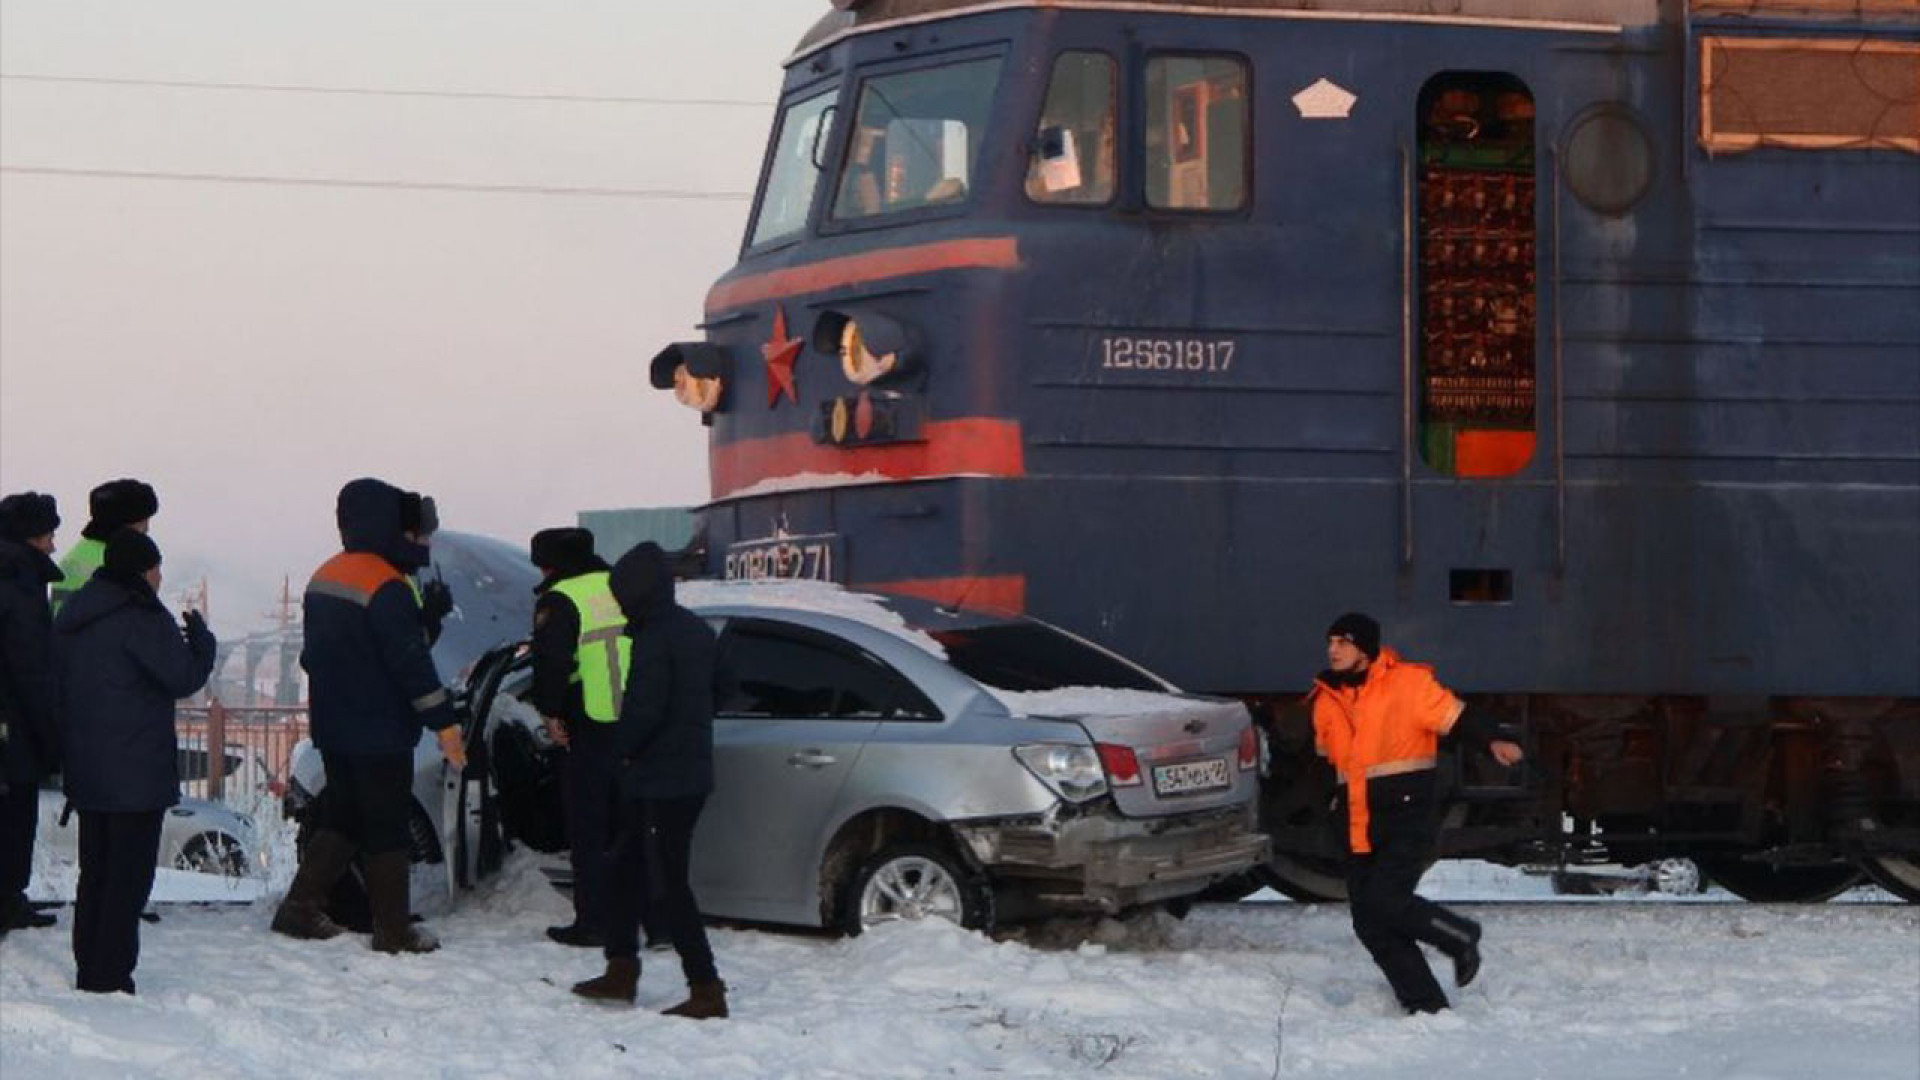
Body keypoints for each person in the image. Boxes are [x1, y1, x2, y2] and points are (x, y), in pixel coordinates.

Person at [271, 478, 465, 953]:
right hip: (378, 730)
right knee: (386, 826)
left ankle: (299, 908)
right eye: (414, 532)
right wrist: (445, 724)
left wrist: (426, 623)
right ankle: (393, 931)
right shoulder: (386, 585)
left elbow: (334, 655)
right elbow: (407, 663)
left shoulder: (326, 577)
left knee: (345, 814)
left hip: (335, 727)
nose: (420, 542)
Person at [1307, 612, 1524, 1015]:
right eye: (1331, 642)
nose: (1333, 650)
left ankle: (1459, 936)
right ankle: (1426, 1007)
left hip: (1405, 817)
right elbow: (1327, 767)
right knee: (1370, 923)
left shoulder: (1408, 685)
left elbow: (1458, 717)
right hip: (1355, 823)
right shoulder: (1325, 700)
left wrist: (1494, 739)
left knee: (1387, 901)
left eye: (1343, 642)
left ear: (1365, 649)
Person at [55, 528, 215, 992]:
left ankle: (90, 965)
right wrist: (202, 646)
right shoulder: (142, 616)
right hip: (135, 772)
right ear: (143, 571)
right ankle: (110, 974)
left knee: (97, 873)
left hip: (87, 767)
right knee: (128, 877)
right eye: (157, 568)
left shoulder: (75, 614)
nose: (161, 577)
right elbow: (181, 676)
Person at [572, 542, 726, 1019]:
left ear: (635, 592)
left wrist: (618, 751)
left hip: (665, 780)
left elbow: (645, 709)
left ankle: (706, 988)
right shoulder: (694, 629)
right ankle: (621, 969)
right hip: (671, 774)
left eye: (620, 593)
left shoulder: (658, 636)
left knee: (668, 884)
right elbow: (725, 686)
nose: (617, 602)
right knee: (625, 869)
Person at [527, 527, 623, 948]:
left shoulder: (560, 599)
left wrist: (549, 712)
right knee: (629, 823)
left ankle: (594, 922)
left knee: (588, 825)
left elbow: (552, 662)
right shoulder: (618, 587)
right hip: (635, 720)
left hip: (589, 721)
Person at [0, 492, 64, 935]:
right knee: (15, 819)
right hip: (13, 729)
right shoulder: (19, 586)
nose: (54, 547)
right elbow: (31, 670)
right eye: (48, 536)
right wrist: (51, 736)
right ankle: (6, 902)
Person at [51, 479, 157, 612]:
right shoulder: (122, 563)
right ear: (125, 524)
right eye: (143, 521)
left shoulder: (73, 557)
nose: (146, 529)